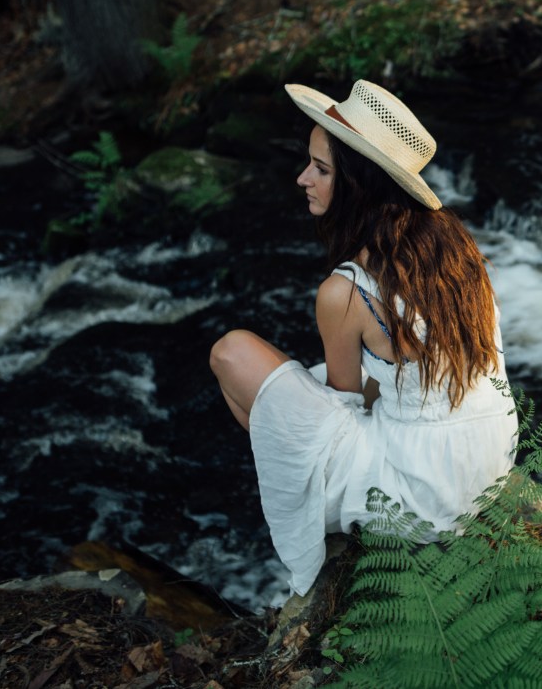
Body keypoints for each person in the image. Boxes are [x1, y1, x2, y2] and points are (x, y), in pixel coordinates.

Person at [209, 79, 517, 596]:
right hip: (487, 459)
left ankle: (323, 517)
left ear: (358, 184)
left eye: (321, 169)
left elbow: (344, 404)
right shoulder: (455, 247)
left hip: (421, 492)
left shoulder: (345, 291)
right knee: (292, 391)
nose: (302, 178)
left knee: (231, 353)